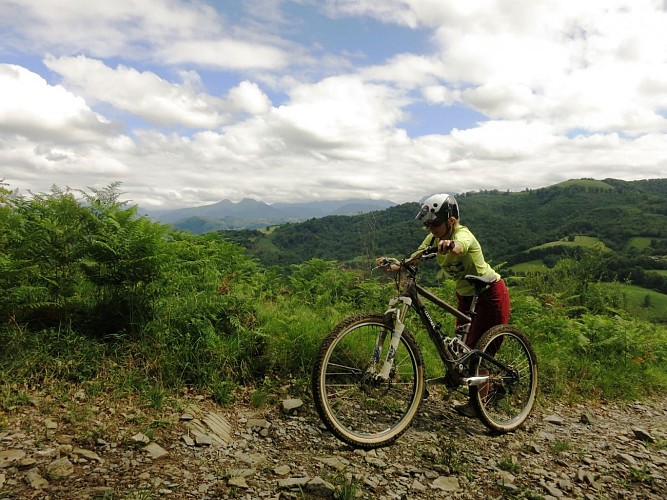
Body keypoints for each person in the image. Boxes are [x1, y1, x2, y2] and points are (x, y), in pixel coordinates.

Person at [379, 193, 510, 418]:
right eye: (427, 224)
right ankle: (479, 388)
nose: (431, 228)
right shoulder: (432, 239)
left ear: (450, 220)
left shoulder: (462, 233)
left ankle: (482, 402)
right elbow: (416, 257)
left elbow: (461, 245)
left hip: (490, 295)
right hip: (466, 297)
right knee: (461, 350)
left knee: (476, 351)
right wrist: (395, 265)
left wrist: (452, 245)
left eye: (435, 223)